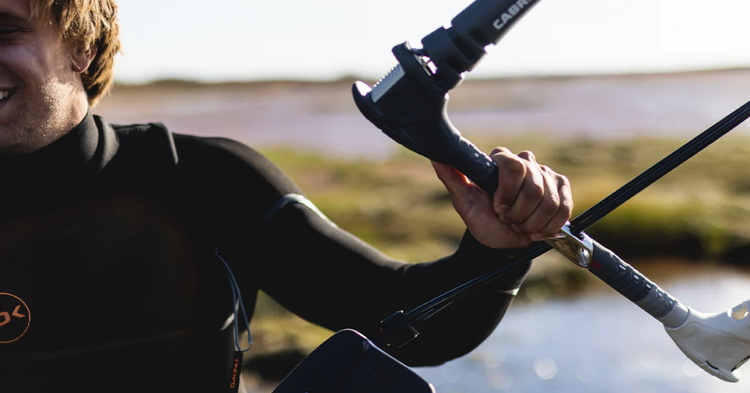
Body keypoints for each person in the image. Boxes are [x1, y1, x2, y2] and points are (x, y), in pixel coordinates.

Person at [0, 0, 573, 392]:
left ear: (83, 46)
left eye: (6, 30)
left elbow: (407, 322)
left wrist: (492, 252)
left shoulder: (201, 181)